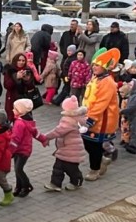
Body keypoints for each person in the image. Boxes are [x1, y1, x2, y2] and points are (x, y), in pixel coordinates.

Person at [81, 48, 121, 181]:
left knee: (95, 146)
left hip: (101, 121)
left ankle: (95, 170)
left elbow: (101, 104)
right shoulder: (96, 78)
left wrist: (90, 119)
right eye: (94, 65)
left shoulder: (108, 82)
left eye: (97, 65)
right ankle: (102, 160)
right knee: (87, 143)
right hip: (90, 116)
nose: (94, 68)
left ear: (104, 67)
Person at [39, 95, 88, 191]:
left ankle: (77, 181)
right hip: (66, 148)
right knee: (58, 167)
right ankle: (55, 183)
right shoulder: (75, 118)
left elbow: (58, 131)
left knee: (71, 168)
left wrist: (45, 137)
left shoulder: (69, 120)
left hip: (71, 149)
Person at [9, 98, 40, 197]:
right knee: (17, 169)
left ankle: (27, 186)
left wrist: (9, 151)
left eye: (15, 109)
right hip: (22, 149)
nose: (13, 110)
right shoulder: (28, 120)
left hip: (22, 150)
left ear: (21, 111)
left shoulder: (19, 123)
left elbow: (15, 139)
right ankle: (18, 187)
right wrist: (43, 139)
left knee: (18, 169)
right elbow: (35, 132)